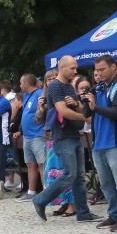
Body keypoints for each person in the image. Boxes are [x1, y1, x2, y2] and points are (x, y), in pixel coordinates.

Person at [31, 56, 101, 223]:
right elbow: (62, 111)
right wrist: (86, 118)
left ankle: (83, 213)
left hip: (73, 135)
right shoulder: (55, 86)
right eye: (72, 68)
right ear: (62, 68)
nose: (75, 71)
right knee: (70, 174)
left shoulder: (69, 86)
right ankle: (40, 199)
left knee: (78, 177)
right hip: (62, 137)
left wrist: (77, 106)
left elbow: (79, 107)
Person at [83, 54, 117, 232]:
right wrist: (86, 101)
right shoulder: (98, 88)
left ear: (113, 67)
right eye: (97, 70)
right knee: (106, 184)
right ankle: (114, 215)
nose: (99, 73)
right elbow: (87, 114)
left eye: (102, 69)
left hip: (115, 142)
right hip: (98, 144)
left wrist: (95, 106)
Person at [16, 74, 45, 202]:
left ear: (26, 83)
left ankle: (46, 192)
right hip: (27, 136)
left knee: (42, 164)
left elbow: (43, 112)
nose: (20, 85)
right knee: (30, 164)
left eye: (21, 83)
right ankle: (31, 191)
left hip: (38, 135)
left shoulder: (40, 93)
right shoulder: (26, 95)